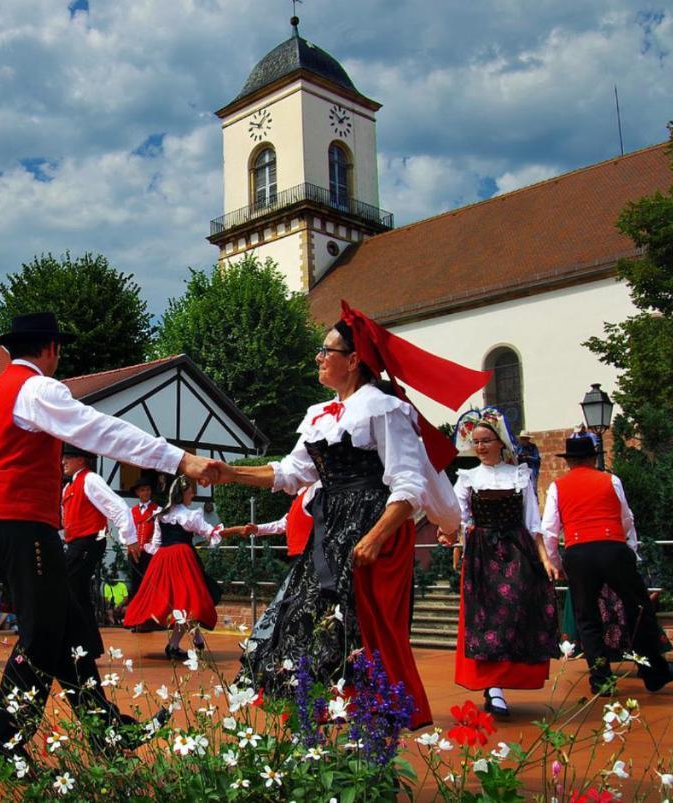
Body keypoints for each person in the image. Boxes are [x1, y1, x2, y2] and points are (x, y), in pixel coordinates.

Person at [0, 311, 215, 775]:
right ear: (50, 348)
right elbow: (101, 430)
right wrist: (178, 459)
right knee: (41, 637)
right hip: (24, 527)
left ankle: (109, 733)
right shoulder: (37, 390)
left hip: (1, 524)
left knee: (68, 632)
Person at [206, 301, 483, 730]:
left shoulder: (384, 408)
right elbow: (291, 472)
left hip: (374, 523)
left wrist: (375, 537)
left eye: (326, 351)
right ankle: (322, 722)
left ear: (353, 361)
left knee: (366, 631)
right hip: (331, 526)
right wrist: (231, 473)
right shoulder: (319, 414)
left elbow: (409, 484)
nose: (318, 358)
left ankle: (378, 735)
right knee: (306, 618)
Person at [541, 435, 673, 696]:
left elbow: (549, 530)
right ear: (594, 458)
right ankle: (654, 672)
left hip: (578, 551)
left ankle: (602, 679)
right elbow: (626, 517)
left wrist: (557, 562)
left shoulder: (557, 486)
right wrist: (628, 547)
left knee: (587, 618)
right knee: (638, 608)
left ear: (569, 462)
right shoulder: (610, 480)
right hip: (612, 547)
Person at [442, 407, 558, 717]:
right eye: (476, 441)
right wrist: (456, 541)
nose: (480, 446)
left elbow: (533, 522)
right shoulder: (468, 477)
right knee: (486, 618)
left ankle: (506, 680)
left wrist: (545, 557)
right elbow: (458, 515)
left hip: (516, 549)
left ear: (499, 442)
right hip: (482, 552)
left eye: (485, 441)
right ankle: (493, 689)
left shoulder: (519, 474)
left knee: (519, 610)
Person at [123, 477, 232, 658]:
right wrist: (224, 532)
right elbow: (209, 532)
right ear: (183, 495)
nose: (193, 495)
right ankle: (174, 645)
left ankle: (195, 636)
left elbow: (156, 544)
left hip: (163, 559)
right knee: (188, 600)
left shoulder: (161, 515)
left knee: (182, 600)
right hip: (183, 559)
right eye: (190, 492)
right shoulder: (191, 515)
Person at [61, 444, 140, 661]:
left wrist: (130, 538)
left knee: (68, 587)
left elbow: (117, 506)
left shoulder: (90, 480)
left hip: (88, 542)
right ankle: (88, 646)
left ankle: (79, 645)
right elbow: (64, 520)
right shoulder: (68, 487)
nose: (63, 461)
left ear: (81, 460)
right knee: (78, 593)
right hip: (77, 543)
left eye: (68, 457)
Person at [233, 482, 319, 562]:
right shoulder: (301, 498)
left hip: (311, 554)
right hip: (301, 554)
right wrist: (257, 529)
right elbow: (282, 524)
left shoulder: (314, 492)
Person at [126, 477, 160, 603]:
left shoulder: (157, 510)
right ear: (137, 493)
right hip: (134, 552)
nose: (146, 492)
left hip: (149, 553)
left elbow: (159, 533)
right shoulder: (131, 511)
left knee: (150, 582)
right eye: (142, 490)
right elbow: (127, 530)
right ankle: (135, 613)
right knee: (135, 582)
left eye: (148, 490)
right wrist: (128, 544)